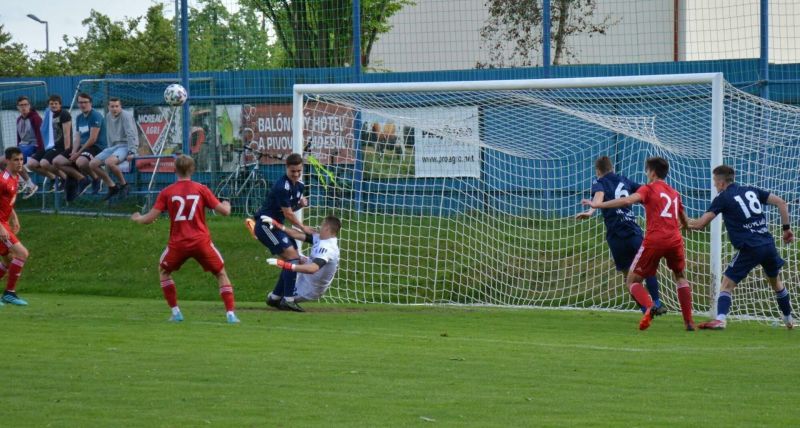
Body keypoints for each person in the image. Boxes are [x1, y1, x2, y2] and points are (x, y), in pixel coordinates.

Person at [583, 157, 695, 331]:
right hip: (674, 240)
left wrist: (598, 206)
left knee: (632, 280)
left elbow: (627, 201)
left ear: (652, 172)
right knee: (680, 276)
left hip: (653, 240)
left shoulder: (648, 189)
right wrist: (688, 226)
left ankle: (649, 307)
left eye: (646, 170)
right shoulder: (674, 193)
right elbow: (685, 220)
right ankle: (689, 322)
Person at [131, 155, 240, 324]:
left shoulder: (167, 192)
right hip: (200, 241)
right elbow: (224, 212)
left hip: (178, 243)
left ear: (174, 170)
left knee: (164, 271)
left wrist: (138, 218)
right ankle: (231, 315)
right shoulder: (201, 189)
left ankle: (176, 312)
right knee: (220, 273)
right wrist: (227, 205)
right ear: (193, 170)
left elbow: (150, 218)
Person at [687, 165, 795, 329]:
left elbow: (701, 224)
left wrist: (682, 223)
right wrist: (786, 229)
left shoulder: (723, 197)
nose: (715, 186)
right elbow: (781, 203)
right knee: (776, 283)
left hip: (750, 247)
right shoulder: (751, 190)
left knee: (726, 285)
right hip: (768, 244)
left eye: (715, 182)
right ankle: (788, 320)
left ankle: (721, 319)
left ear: (722, 183)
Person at [575, 156, 666, 316]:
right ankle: (657, 303)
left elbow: (599, 196)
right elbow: (646, 193)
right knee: (648, 268)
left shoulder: (598, 182)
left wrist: (591, 211)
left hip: (616, 237)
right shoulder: (624, 180)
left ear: (598, 171)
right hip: (633, 232)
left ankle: (646, 309)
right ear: (612, 168)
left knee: (628, 277)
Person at [247, 153, 314, 309]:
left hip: (276, 225)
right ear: (286, 169)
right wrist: (303, 227)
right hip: (266, 226)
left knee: (294, 258)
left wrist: (301, 205)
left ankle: (276, 297)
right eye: (293, 171)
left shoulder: (300, 185)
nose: (296, 174)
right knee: (292, 257)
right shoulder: (281, 186)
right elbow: (288, 213)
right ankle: (288, 300)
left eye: (299, 171)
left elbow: (288, 209)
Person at [260, 214, 341, 312]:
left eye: (322, 225)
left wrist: (286, 265)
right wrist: (278, 225)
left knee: (281, 299)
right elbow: (297, 235)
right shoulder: (321, 239)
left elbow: (313, 269)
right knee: (292, 258)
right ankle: (276, 297)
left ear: (327, 228)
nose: (319, 227)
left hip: (310, 288)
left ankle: (281, 298)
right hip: (305, 279)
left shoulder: (327, 248)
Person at [55, 93, 105, 201]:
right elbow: (77, 138)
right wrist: (73, 152)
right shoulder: (78, 117)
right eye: (80, 102)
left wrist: (78, 154)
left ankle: (96, 178)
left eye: (85, 102)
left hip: (96, 146)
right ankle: (82, 179)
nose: (83, 104)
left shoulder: (95, 115)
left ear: (90, 103)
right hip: (82, 147)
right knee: (57, 161)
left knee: (80, 162)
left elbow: (92, 139)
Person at [0, 147, 31, 306]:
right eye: (16, 160)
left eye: (21, 159)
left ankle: (8, 294)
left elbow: (7, 203)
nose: (20, 163)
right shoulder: (2, 179)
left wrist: (15, 219)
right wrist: (1, 227)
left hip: (4, 223)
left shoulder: (15, 177)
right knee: (22, 253)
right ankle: (9, 293)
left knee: (8, 261)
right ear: (7, 161)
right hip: (0, 226)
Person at [90, 97, 138, 201]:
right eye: (112, 106)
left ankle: (125, 185)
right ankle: (112, 186)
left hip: (125, 145)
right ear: (108, 107)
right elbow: (109, 133)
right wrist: (109, 148)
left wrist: (132, 151)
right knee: (92, 164)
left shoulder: (126, 116)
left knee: (109, 162)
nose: (114, 109)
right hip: (113, 147)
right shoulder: (108, 116)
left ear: (120, 107)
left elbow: (131, 133)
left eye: (117, 106)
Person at [29, 95, 71, 193]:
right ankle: (53, 178)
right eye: (51, 104)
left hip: (61, 146)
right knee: (31, 164)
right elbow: (44, 131)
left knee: (44, 163)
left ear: (60, 105)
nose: (54, 106)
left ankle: (66, 179)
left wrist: (67, 151)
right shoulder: (49, 114)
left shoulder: (64, 114)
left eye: (56, 103)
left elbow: (66, 134)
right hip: (50, 145)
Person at [9, 96, 42, 199]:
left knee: (14, 160)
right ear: (17, 107)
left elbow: (40, 136)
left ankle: (29, 185)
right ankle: (23, 182)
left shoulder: (35, 118)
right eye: (21, 105)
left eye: (26, 105)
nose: (24, 107)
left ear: (29, 106)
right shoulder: (18, 119)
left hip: (33, 145)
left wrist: (39, 152)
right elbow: (19, 138)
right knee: (2, 161)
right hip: (21, 146)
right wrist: (16, 148)